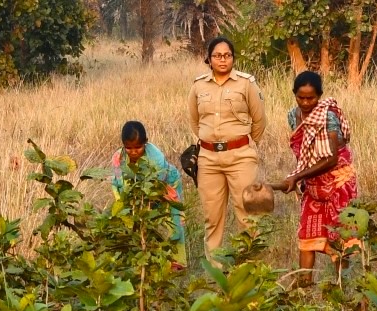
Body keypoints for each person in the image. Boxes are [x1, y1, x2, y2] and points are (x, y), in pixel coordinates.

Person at [269, 71, 359, 273]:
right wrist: (299, 178)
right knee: (307, 237)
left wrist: (298, 176)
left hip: (338, 183)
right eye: (301, 97)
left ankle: (343, 290)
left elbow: (331, 158)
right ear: (294, 94)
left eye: (311, 98)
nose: (306, 102)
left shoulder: (328, 117)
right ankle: (304, 291)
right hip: (312, 183)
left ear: (319, 96)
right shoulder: (293, 116)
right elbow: (304, 153)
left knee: (340, 240)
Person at [188, 37, 268, 252]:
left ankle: (249, 267)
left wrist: (246, 145)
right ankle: (215, 271)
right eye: (217, 55)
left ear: (233, 58)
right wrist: (212, 142)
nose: (222, 60)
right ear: (209, 58)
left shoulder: (246, 83)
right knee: (212, 217)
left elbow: (259, 120)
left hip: (241, 157)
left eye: (227, 55)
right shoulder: (198, 86)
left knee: (247, 214)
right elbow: (195, 121)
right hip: (208, 159)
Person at [112, 121, 187, 268]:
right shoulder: (118, 159)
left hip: (166, 186)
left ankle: (176, 263)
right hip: (136, 192)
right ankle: (146, 259)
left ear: (145, 143)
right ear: (123, 145)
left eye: (138, 147)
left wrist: (144, 203)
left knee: (172, 221)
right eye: (129, 148)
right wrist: (125, 203)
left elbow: (155, 185)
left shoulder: (156, 158)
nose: (133, 151)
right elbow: (117, 182)